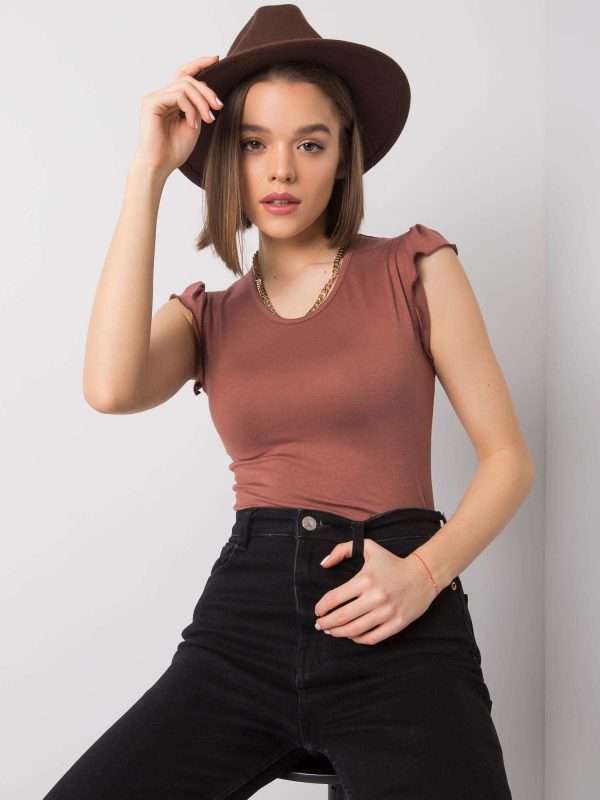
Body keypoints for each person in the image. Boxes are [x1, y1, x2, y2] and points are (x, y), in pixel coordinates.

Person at [44, 5, 533, 799]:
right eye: (253, 144)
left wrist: (424, 574)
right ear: (226, 161)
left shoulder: (416, 267)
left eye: (309, 144)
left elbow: (508, 459)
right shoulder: (207, 316)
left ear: (343, 158)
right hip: (247, 623)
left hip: (398, 609)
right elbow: (108, 388)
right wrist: (148, 173)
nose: (281, 171)